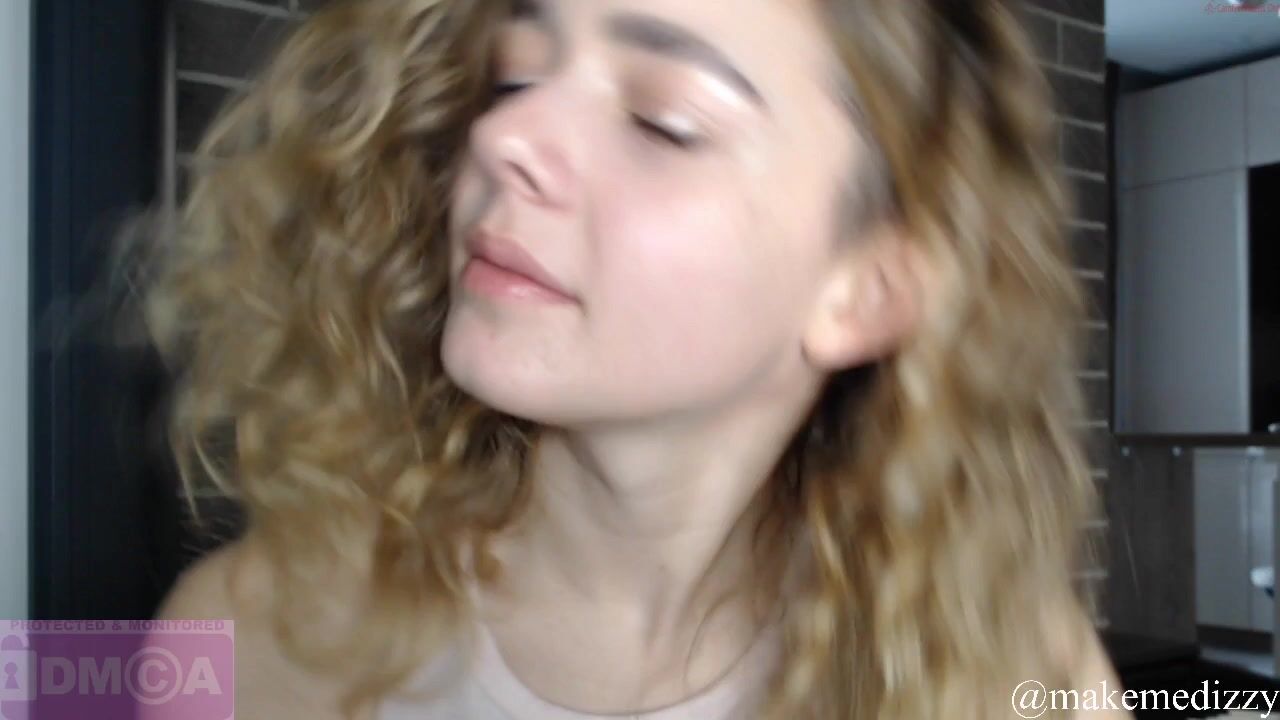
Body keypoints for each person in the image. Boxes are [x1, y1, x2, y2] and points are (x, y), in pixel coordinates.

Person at [130, 0, 1132, 717]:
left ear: (865, 291)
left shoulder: (1020, 681)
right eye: (515, 73)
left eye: (664, 121)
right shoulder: (236, 639)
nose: (505, 131)